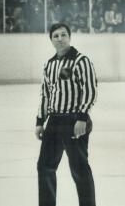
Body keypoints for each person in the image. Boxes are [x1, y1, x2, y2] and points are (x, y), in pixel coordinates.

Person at [35, 23, 97, 206]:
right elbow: (46, 94)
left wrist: (82, 117)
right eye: (56, 36)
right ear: (51, 40)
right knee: (45, 166)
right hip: (54, 121)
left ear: (69, 37)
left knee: (79, 168)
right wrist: (40, 121)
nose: (60, 39)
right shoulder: (50, 64)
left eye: (63, 35)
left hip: (74, 120)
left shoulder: (81, 60)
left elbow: (90, 90)